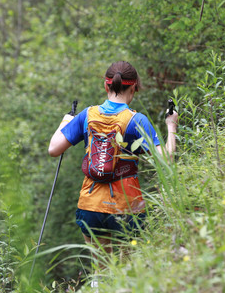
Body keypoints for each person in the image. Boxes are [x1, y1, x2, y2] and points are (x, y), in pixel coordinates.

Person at [48, 61, 178, 276]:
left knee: (100, 274)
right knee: (127, 274)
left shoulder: (87, 115)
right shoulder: (137, 120)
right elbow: (166, 159)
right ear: (135, 87)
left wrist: (65, 121)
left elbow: (54, 149)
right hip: (127, 207)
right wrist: (171, 125)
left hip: (90, 205)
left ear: (106, 86)